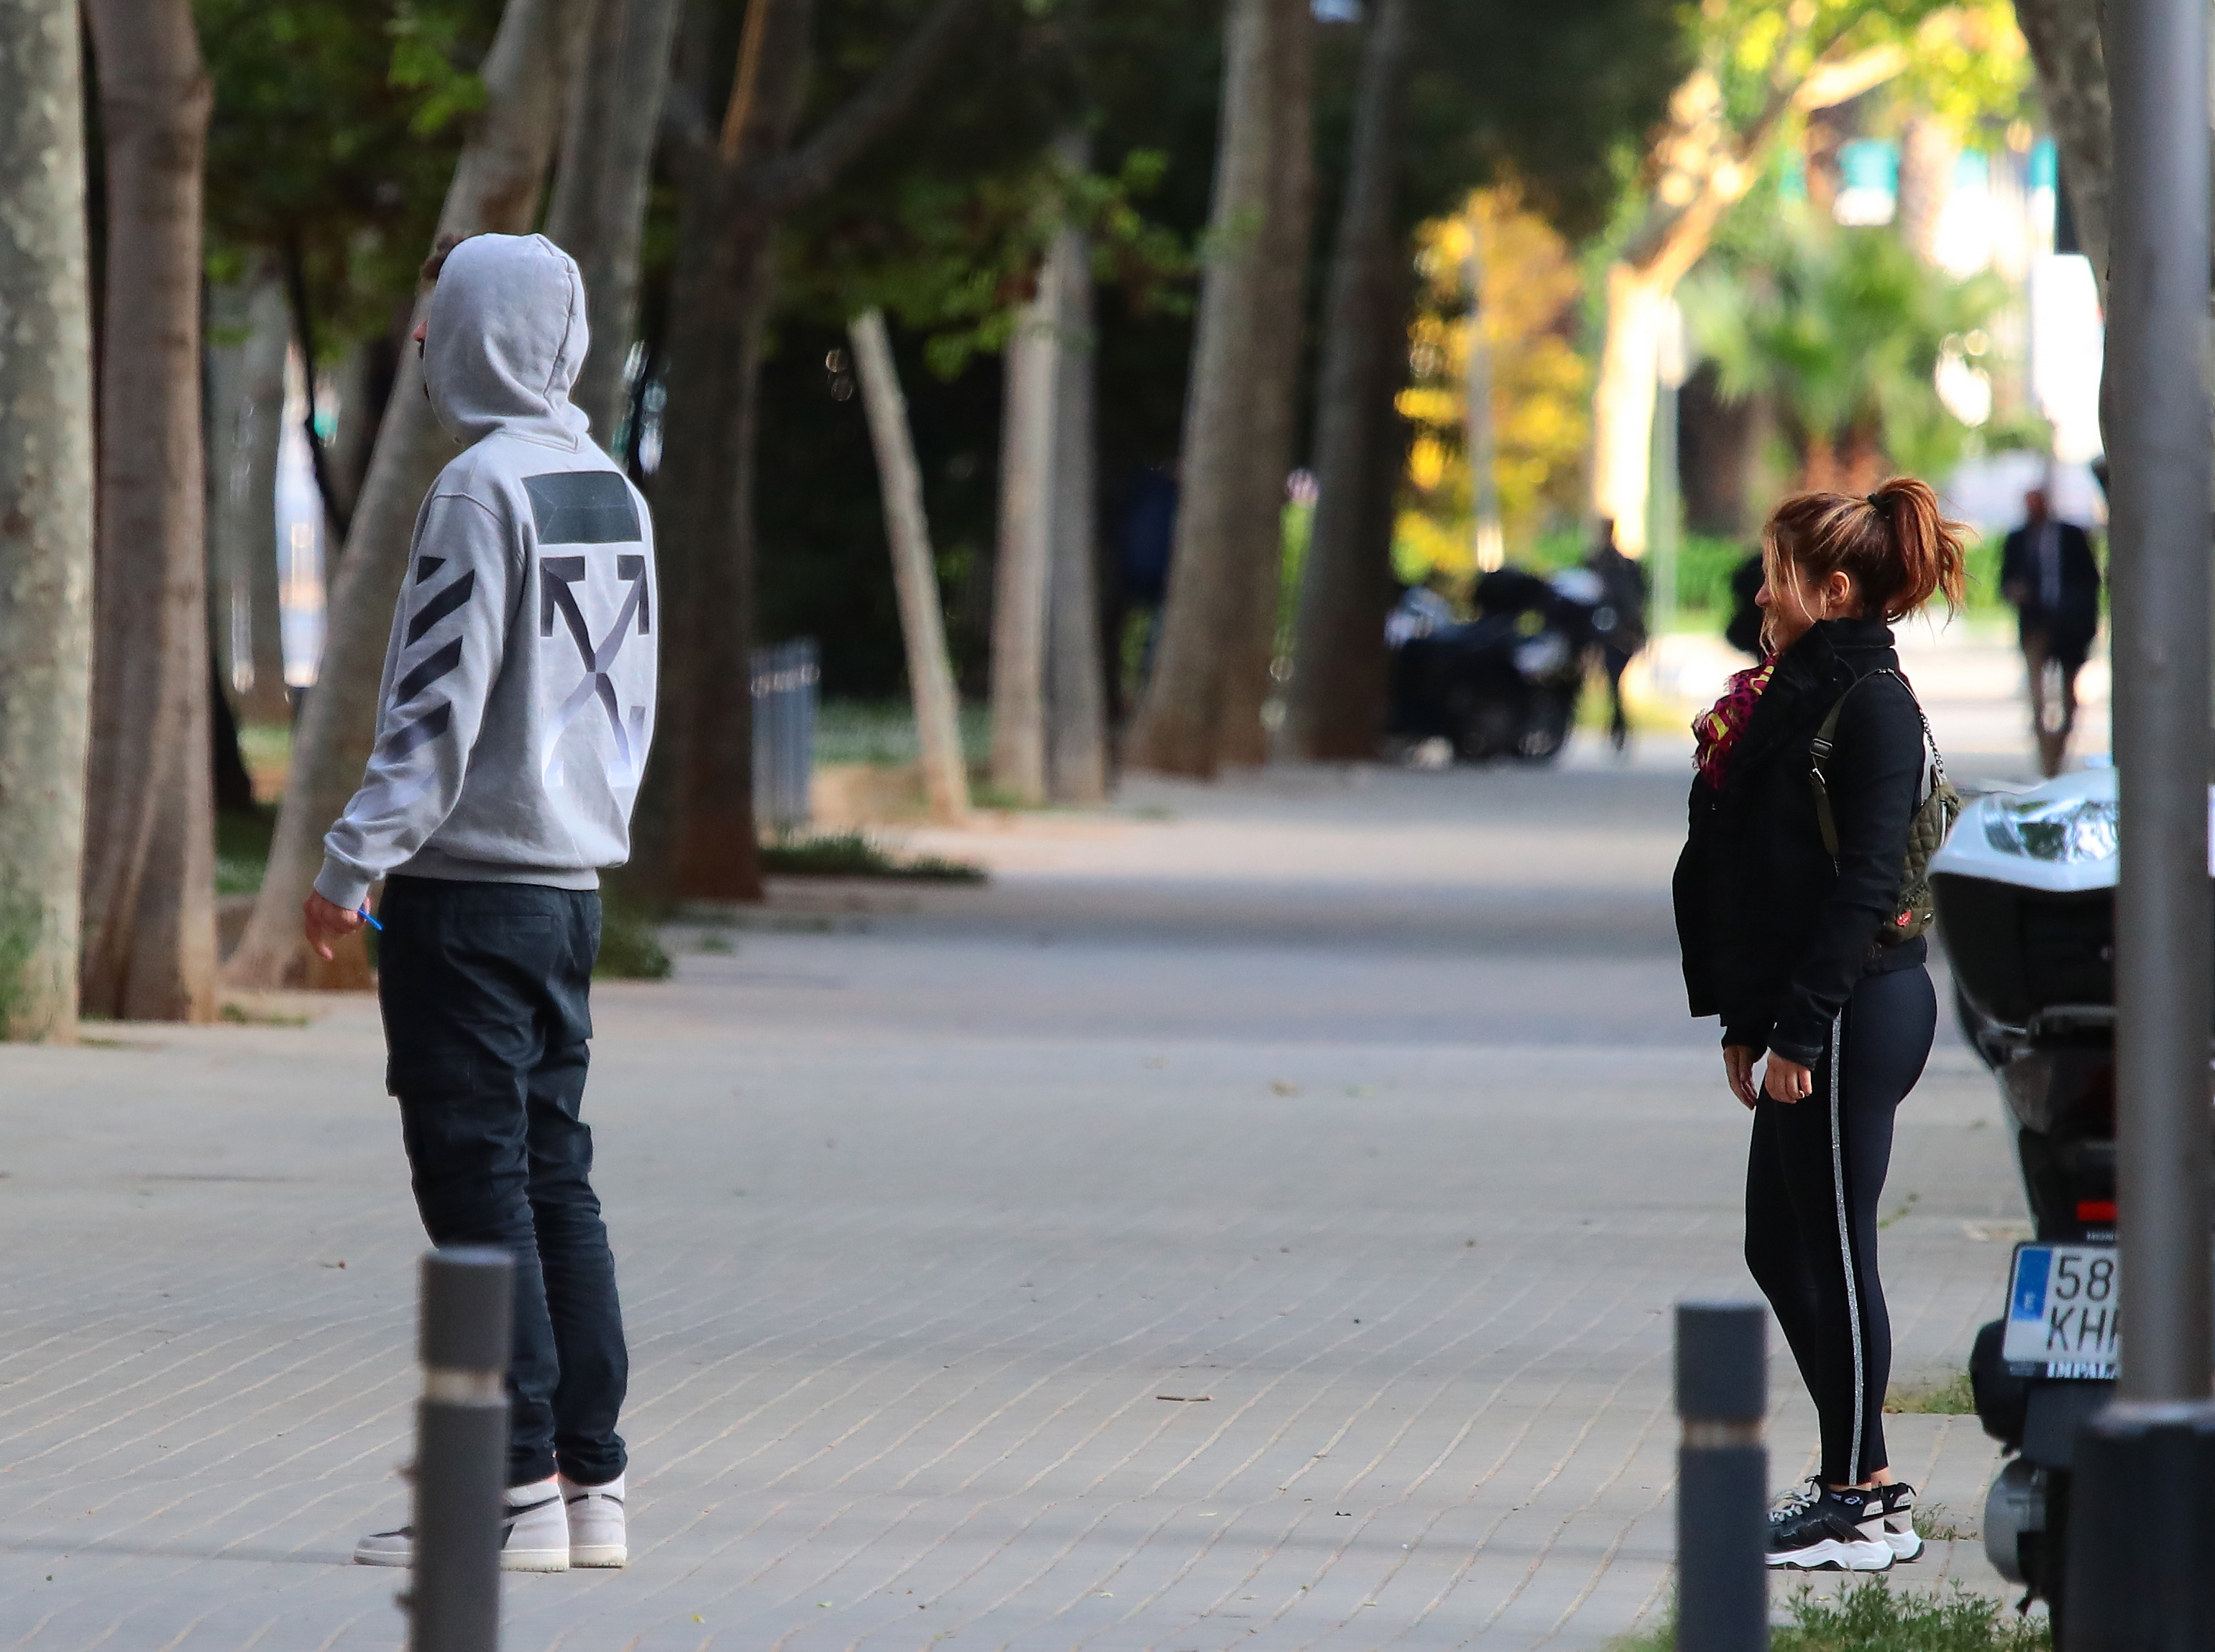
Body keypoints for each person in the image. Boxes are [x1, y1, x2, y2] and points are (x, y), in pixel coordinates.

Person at [302, 232, 656, 1574]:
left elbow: (434, 706)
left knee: (474, 1179)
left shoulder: (477, 487)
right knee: (554, 1172)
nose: (418, 345)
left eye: (433, 321)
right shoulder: (608, 483)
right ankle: (590, 1485)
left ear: (480, 335)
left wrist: (351, 862)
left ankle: (508, 1489)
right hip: (568, 889)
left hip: (466, 892)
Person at [1671, 478, 1966, 1572]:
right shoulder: (1790, 694)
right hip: (1805, 1009)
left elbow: (1862, 890)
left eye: (1777, 573)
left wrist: (1800, 1029)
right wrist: (1745, 1022)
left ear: (1833, 589)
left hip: (1857, 1002)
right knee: (1776, 1241)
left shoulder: (1872, 703)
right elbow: (1752, 875)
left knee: (1835, 1249)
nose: (1760, 592)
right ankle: (1869, 1478)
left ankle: (1853, 1493)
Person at [1998, 487, 2101, 777]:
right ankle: (2047, 762)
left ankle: (2058, 749)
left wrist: (2082, 617)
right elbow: (2005, 580)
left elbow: (2090, 581)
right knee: (2037, 696)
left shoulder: (2072, 536)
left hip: (2069, 628)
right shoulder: (2017, 539)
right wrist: (2016, 591)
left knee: (2069, 696)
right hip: (2035, 625)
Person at [1584, 520, 1649, 751]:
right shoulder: (1615, 564)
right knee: (1613, 682)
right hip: (1614, 632)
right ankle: (1618, 725)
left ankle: (1618, 725)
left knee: (1614, 680)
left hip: (1617, 633)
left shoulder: (1608, 565)